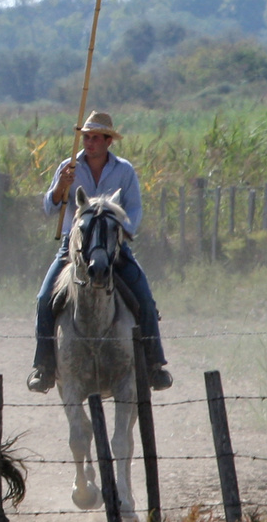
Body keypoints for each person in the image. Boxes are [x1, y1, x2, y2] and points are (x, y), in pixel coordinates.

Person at [28, 111, 172, 393]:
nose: (89, 142)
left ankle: (155, 365)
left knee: (144, 296)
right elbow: (50, 207)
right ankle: (44, 366)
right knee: (45, 299)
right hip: (74, 248)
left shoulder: (124, 170)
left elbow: (134, 209)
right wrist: (61, 186)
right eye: (86, 137)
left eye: (95, 137)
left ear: (108, 141)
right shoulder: (69, 167)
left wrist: (122, 232)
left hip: (114, 247)